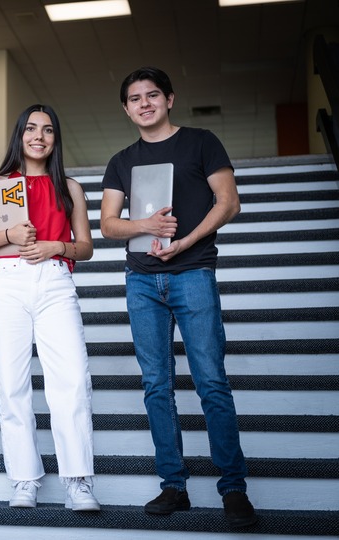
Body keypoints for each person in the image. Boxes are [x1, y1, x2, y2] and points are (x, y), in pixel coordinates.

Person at [100, 67, 257, 528]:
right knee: (157, 386)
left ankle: (233, 489)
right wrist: (146, 226)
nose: (144, 103)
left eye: (152, 95)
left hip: (192, 273)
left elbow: (229, 202)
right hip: (142, 281)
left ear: (169, 99)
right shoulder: (120, 161)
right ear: (126, 108)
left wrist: (186, 241)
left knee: (211, 382)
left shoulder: (202, 142)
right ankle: (174, 485)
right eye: (134, 98)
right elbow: (109, 224)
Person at [0, 104, 99, 511]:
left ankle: (78, 481)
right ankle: (24, 479)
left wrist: (59, 245)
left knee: (72, 381)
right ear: (19, 135)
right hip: (6, 283)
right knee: (11, 385)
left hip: (55, 280)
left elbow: (86, 247)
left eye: (48, 130)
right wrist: (7, 233)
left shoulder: (69, 187)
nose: (39, 136)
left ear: (55, 139)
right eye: (31, 129)